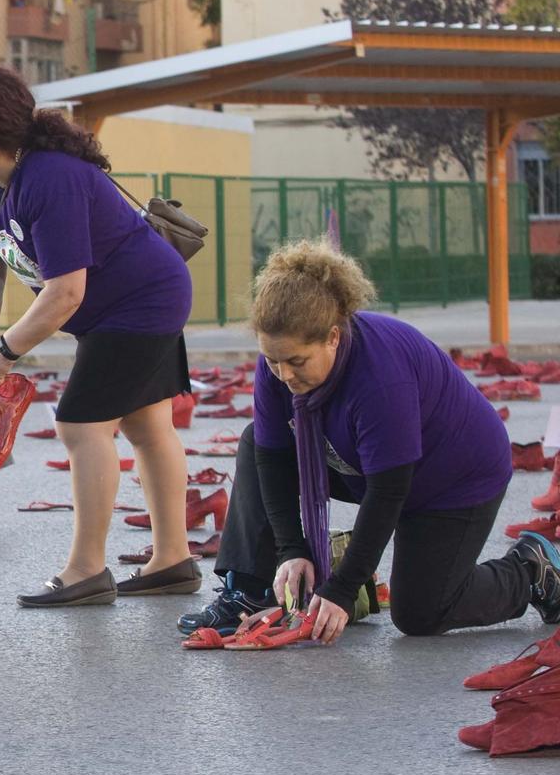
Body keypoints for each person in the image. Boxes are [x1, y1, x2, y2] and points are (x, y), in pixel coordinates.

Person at [178, 240, 558, 641]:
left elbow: (388, 492)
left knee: (421, 614)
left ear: (333, 338)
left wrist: (343, 587)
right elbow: (272, 460)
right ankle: (252, 592)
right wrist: (292, 550)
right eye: (273, 361)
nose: (284, 375)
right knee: (256, 441)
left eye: (297, 362)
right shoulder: (276, 364)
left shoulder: (379, 377)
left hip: (454, 477)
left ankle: (530, 571)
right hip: (361, 462)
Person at [0, 65, 197, 607]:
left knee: (80, 425)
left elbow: (65, 293)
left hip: (140, 302)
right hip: (119, 306)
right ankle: (172, 560)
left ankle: (85, 570)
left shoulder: (51, 178)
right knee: (147, 424)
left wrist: (4, 353)